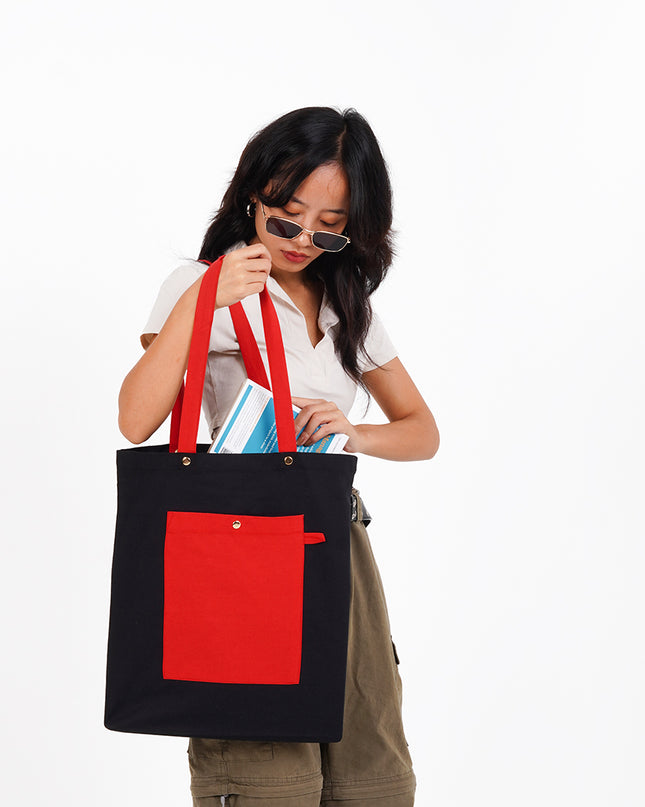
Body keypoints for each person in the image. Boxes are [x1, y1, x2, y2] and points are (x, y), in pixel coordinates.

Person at [118, 106, 439, 807]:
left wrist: (354, 434)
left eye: (330, 226)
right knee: (269, 778)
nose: (304, 240)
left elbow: (421, 430)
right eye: (287, 218)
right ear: (252, 196)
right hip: (242, 544)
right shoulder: (200, 284)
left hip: (339, 537)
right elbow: (137, 417)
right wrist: (203, 301)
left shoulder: (346, 303)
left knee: (368, 776)